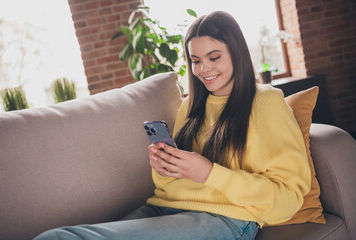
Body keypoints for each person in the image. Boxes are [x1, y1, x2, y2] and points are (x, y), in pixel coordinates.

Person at [34, 11, 311, 240]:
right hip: (163, 208)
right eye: (195, 61)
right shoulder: (190, 105)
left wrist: (209, 173)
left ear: (236, 53)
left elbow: (288, 199)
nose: (204, 69)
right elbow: (169, 185)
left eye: (214, 57)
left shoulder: (266, 102)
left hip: (226, 219)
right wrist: (165, 167)